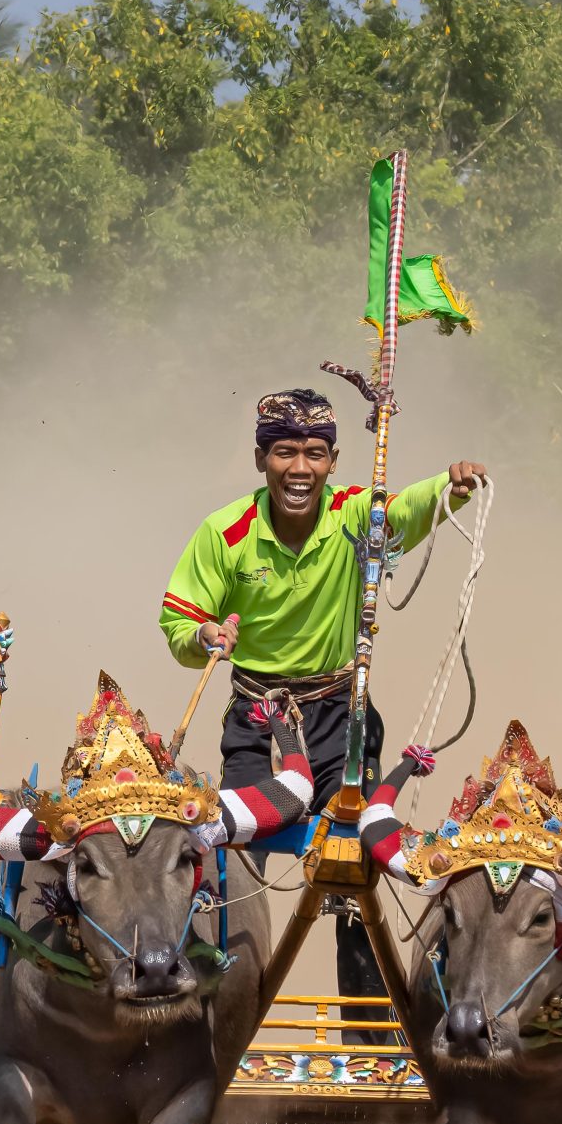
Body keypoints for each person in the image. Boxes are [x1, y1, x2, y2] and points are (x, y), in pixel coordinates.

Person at [158, 386, 484, 998]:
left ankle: (370, 1031)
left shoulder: (358, 514)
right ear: (261, 459)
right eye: (284, 451)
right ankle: (216, 1001)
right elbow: (178, 620)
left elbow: (410, 507)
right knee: (228, 861)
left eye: (314, 453)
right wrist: (204, 634)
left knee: (355, 868)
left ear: (333, 462)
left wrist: (451, 485)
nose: (300, 468)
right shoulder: (224, 532)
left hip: (341, 715)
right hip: (256, 716)